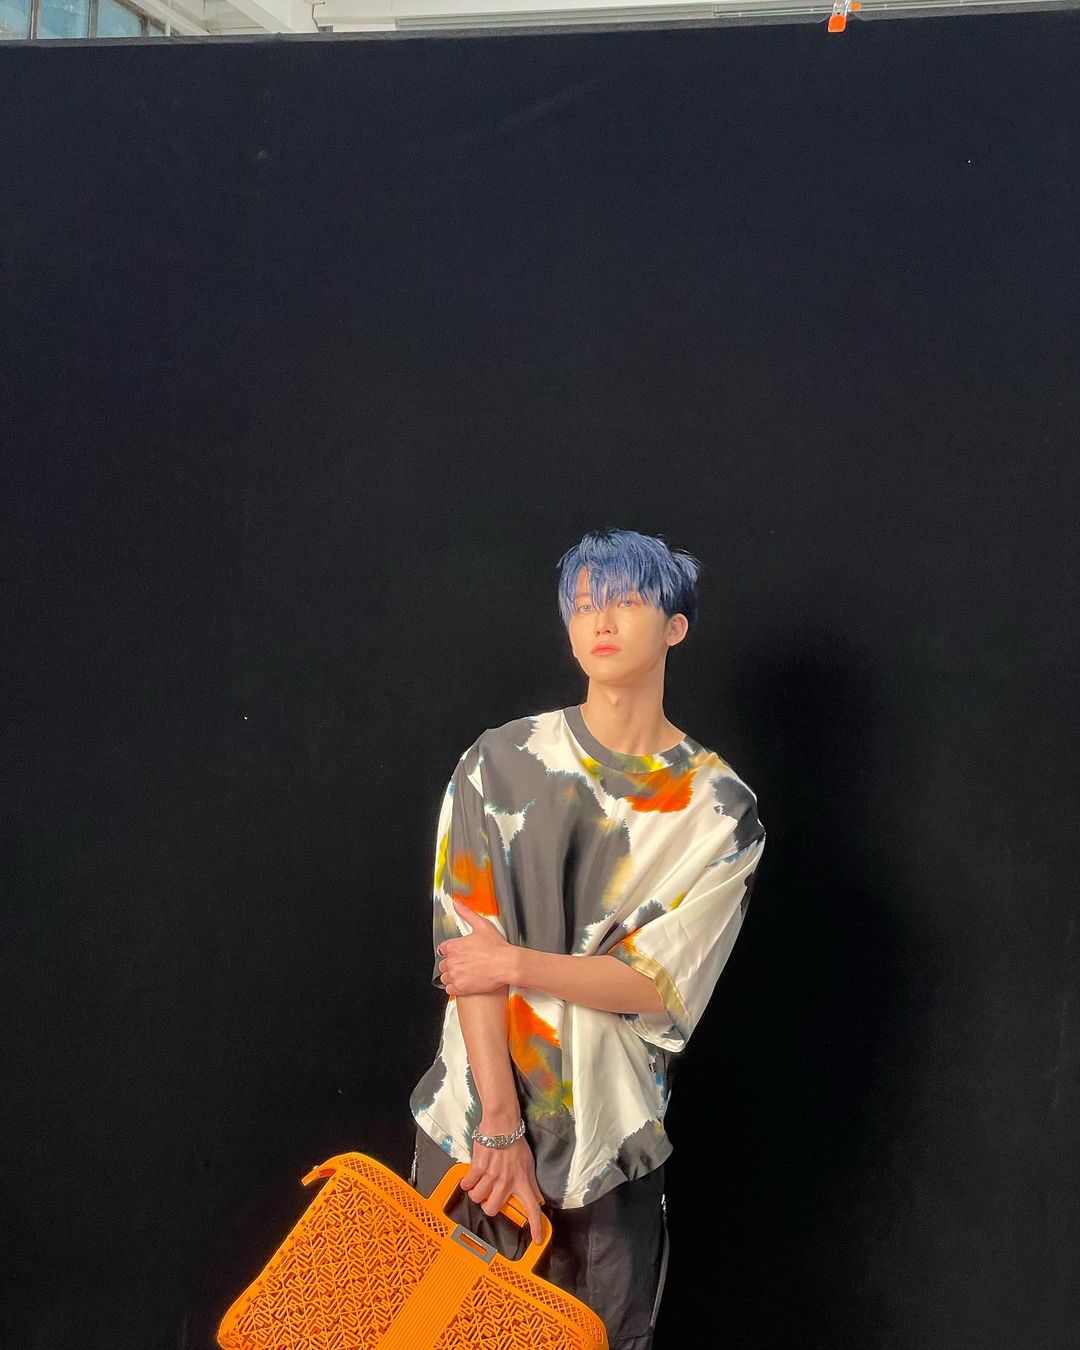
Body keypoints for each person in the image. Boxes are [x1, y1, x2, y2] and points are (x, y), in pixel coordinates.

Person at [408, 526, 767, 1349]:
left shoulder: (720, 810)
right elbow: (465, 956)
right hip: (472, 1130)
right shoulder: (500, 762)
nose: (599, 621)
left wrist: (516, 961)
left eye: (626, 601)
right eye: (581, 604)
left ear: (675, 626)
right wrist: (499, 1125)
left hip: (609, 1144)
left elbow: (657, 986)